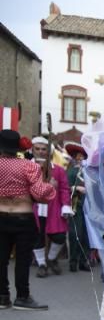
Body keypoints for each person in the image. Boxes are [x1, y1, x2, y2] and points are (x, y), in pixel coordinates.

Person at [0, 129, 54, 310]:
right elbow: (39, 194)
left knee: (1, 259)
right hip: (23, 217)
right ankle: (22, 297)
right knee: (23, 260)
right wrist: (49, 186)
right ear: (17, 147)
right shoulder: (28, 166)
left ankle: (2, 296)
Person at [30, 137, 71, 277]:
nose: (41, 152)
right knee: (37, 236)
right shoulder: (27, 168)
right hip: (34, 208)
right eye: (37, 149)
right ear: (32, 150)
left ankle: (52, 259)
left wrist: (65, 205)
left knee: (59, 236)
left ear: (48, 151)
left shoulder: (58, 170)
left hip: (53, 208)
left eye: (44, 149)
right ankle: (42, 264)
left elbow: (65, 189)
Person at [65, 141, 92, 272]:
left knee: (87, 236)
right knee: (75, 234)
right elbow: (64, 188)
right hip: (76, 206)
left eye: (83, 156)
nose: (80, 158)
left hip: (89, 207)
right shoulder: (70, 171)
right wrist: (77, 188)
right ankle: (73, 261)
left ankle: (84, 261)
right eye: (78, 155)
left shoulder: (90, 172)